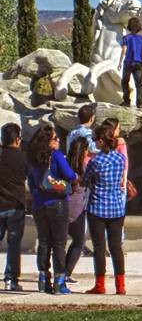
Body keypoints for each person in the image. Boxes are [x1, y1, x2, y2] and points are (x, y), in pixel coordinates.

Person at [27, 125, 77, 295]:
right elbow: (70, 175)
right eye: (55, 139)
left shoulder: (33, 158)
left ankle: (43, 279)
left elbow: (32, 182)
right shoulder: (56, 156)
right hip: (57, 202)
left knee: (43, 242)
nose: (58, 141)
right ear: (49, 141)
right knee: (59, 243)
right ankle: (60, 281)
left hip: (39, 204)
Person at [83, 121, 127, 295]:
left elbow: (86, 180)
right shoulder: (120, 158)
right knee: (116, 247)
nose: (94, 142)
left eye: (96, 140)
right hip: (116, 208)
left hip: (98, 208)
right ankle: (120, 285)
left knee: (99, 247)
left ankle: (100, 284)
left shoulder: (96, 161)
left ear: (101, 141)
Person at [0, 123, 27, 291]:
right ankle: (11, 279)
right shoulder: (23, 158)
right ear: (18, 140)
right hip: (16, 205)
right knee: (14, 244)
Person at [65, 137, 91, 284]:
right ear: (84, 151)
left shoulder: (66, 164)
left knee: (59, 242)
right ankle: (66, 271)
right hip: (78, 208)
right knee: (79, 241)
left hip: (64, 205)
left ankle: (58, 272)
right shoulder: (85, 166)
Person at [117, 17, 142, 108]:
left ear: (129, 27)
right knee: (138, 84)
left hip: (128, 63)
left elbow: (124, 50)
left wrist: (119, 62)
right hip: (138, 63)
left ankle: (126, 101)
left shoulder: (126, 38)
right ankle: (140, 103)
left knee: (125, 82)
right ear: (138, 27)